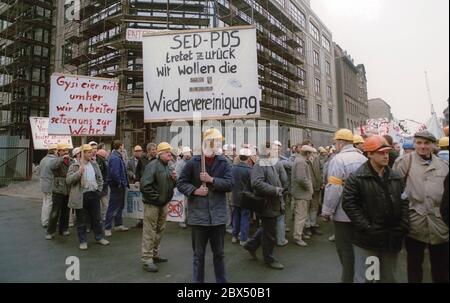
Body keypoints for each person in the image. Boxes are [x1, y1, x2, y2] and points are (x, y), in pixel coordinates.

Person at [342, 136, 409, 283]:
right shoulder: (357, 178)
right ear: (370, 154)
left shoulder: (396, 177)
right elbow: (349, 204)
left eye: (386, 152)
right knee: (369, 277)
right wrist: (367, 227)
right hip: (368, 241)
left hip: (391, 238)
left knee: (389, 277)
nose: (386, 156)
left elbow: (405, 202)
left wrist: (402, 225)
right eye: (381, 153)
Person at [177, 128, 234, 283]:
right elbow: (181, 183)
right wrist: (195, 191)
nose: (217, 144)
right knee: (198, 256)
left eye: (218, 142)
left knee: (219, 254)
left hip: (218, 218)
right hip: (199, 218)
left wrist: (212, 180)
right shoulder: (193, 162)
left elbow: (230, 183)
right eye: (215, 141)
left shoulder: (224, 162)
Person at [393, 130, 449, 283]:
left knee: (441, 268)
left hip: (439, 224)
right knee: (414, 266)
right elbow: (394, 191)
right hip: (414, 223)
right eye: (419, 143)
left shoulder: (444, 165)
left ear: (433, 145)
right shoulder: (404, 162)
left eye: (426, 143)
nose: (422, 146)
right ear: (414, 144)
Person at [321, 129, 367, 283]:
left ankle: (347, 279)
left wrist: (327, 211)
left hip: (343, 213)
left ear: (340, 142)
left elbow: (334, 188)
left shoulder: (338, 160)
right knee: (362, 249)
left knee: (345, 250)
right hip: (362, 212)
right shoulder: (363, 159)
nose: (336, 145)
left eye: (336, 142)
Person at [243, 142, 285, 270]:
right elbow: (256, 183)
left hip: (272, 203)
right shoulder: (261, 164)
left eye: (277, 150)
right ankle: (269, 259)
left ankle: (251, 245)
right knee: (270, 234)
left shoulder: (269, 163)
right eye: (273, 149)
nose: (276, 151)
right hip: (266, 204)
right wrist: (275, 190)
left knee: (267, 229)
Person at [140, 142, 177, 272]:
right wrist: (158, 199)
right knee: (150, 231)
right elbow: (145, 186)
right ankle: (147, 259)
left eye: (170, 152)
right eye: (167, 152)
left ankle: (154, 254)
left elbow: (169, 186)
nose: (170, 154)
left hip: (162, 204)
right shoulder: (153, 166)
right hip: (153, 204)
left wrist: (174, 180)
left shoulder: (167, 166)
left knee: (160, 230)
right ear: (160, 154)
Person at [66, 145, 109, 250]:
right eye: (89, 152)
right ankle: (83, 241)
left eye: (91, 152)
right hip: (81, 196)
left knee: (97, 218)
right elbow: (68, 180)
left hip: (94, 194)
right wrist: (78, 173)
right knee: (81, 220)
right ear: (83, 153)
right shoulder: (75, 166)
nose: (92, 154)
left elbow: (100, 178)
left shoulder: (94, 164)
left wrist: (98, 190)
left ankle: (99, 237)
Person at [46, 143, 72, 239]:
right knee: (55, 211)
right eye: (63, 150)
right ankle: (50, 231)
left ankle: (64, 229)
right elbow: (52, 166)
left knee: (66, 211)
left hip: (68, 188)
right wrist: (62, 159)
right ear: (59, 151)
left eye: (67, 150)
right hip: (58, 188)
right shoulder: (55, 160)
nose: (66, 152)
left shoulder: (70, 161)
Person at [105, 140, 129, 236]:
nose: (123, 148)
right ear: (120, 146)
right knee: (113, 206)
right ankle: (107, 227)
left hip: (119, 185)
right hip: (117, 186)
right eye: (123, 146)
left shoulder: (116, 156)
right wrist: (119, 183)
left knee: (119, 205)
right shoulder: (115, 158)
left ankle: (118, 224)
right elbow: (115, 173)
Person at [291, 145, 315, 247]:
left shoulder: (299, 160)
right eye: (311, 153)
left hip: (301, 193)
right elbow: (301, 179)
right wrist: (309, 188)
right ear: (308, 153)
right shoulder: (301, 162)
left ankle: (300, 233)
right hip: (301, 193)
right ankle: (297, 236)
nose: (312, 155)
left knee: (302, 215)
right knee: (301, 216)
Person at [231, 148, 253, 246]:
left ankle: (234, 236)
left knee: (235, 216)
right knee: (245, 217)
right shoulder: (250, 170)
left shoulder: (233, 168)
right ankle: (243, 238)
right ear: (248, 158)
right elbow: (253, 185)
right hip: (246, 197)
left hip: (235, 195)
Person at [39, 144, 57, 228]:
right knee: (49, 203)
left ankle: (44, 220)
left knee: (45, 202)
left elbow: (39, 171)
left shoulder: (43, 159)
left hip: (43, 184)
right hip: (50, 184)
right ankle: (46, 221)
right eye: (57, 150)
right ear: (54, 151)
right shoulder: (54, 160)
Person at [174, 146, 192, 229]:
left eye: (189, 154)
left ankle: (188, 220)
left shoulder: (191, 162)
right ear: (183, 155)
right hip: (182, 187)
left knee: (189, 204)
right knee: (183, 204)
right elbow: (177, 175)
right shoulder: (180, 164)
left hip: (190, 186)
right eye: (186, 154)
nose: (188, 156)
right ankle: (182, 221)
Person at [96, 148, 109, 221]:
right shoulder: (102, 161)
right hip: (102, 185)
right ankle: (103, 216)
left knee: (102, 203)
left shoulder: (101, 161)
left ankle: (102, 216)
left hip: (102, 184)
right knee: (104, 203)